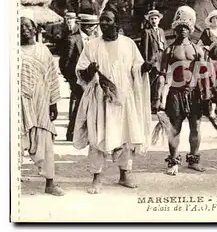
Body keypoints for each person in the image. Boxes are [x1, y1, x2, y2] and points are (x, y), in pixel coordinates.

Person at [73, 11, 152, 194]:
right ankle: (96, 178)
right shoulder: (92, 45)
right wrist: (90, 71)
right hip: (100, 99)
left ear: (116, 22)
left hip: (123, 98)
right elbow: (80, 73)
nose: (104, 23)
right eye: (102, 20)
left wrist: (145, 68)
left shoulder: (128, 44)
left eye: (108, 20)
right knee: (98, 136)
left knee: (126, 136)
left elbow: (136, 66)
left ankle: (124, 175)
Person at [160, 6, 209, 175]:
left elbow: (204, 73)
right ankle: (173, 162)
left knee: (196, 127)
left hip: (194, 93)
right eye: (180, 27)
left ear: (191, 29)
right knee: (175, 128)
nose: (183, 30)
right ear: (175, 29)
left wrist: (207, 95)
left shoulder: (198, 50)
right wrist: (160, 97)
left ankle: (193, 160)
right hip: (175, 93)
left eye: (186, 27)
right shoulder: (169, 50)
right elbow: (162, 75)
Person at [20, 16, 65, 196]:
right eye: (20, 27)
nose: (24, 30)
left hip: (40, 103)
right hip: (19, 106)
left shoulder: (43, 51)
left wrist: (53, 103)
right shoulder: (10, 50)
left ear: (35, 28)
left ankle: (50, 183)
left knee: (45, 143)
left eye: (28, 26)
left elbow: (52, 77)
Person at [59, 14, 100, 141]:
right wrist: (72, 80)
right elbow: (64, 63)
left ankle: (82, 134)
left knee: (86, 105)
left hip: (91, 79)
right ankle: (72, 133)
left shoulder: (94, 39)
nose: (95, 29)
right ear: (87, 27)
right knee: (81, 105)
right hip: (77, 80)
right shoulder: (72, 39)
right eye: (93, 26)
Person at [199, 10, 217, 118]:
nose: (215, 20)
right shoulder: (207, 32)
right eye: (213, 18)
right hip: (210, 60)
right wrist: (205, 47)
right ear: (210, 20)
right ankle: (209, 109)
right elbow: (199, 45)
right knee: (209, 82)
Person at [140, 9, 167, 113]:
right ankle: (151, 104)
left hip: (162, 59)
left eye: (155, 18)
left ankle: (158, 103)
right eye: (152, 19)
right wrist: (146, 61)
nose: (154, 21)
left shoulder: (161, 31)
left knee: (162, 80)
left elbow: (164, 45)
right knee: (153, 82)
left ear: (159, 20)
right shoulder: (147, 32)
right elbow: (145, 48)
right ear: (149, 20)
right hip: (153, 61)